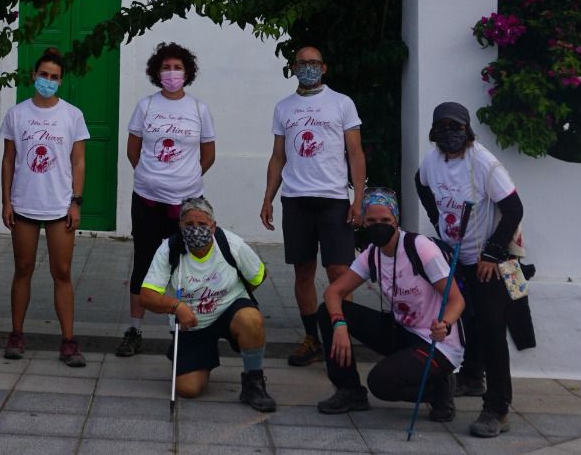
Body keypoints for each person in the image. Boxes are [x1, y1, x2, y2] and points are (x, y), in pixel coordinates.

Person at [415, 101, 525, 439]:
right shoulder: (431, 162)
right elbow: (421, 185)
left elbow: (513, 208)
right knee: (468, 320)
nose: (450, 133)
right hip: (457, 255)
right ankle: (472, 377)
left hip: (493, 259)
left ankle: (498, 407)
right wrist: (438, 222)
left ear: (467, 130)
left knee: (493, 328)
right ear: (434, 131)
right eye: (443, 127)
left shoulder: (483, 163)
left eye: (457, 127)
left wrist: (491, 254)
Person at [259, 44, 365, 372]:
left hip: (333, 199)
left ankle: (338, 338)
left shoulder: (342, 103)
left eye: (314, 62)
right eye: (302, 62)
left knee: (339, 273)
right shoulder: (284, 107)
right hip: (295, 200)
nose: (308, 67)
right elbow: (278, 156)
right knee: (303, 271)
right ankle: (311, 339)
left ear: (324, 68)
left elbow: (356, 154)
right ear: (293, 67)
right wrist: (267, 197)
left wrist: (358, 199)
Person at [319, 187, 464, 421]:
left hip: (437, 342)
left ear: (396, 219)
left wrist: (445, 324)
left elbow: (457, 299)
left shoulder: (420, 248)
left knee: (381, 383)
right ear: (363, 222)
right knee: (328, 313)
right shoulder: (372, 253)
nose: (379, 225)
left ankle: (439, 390)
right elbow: (334, 292)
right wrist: (339, 325)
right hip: (402, 331)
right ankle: (349, 390)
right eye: (372, 220)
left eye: (385, 219)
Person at [118, 42, 216, 358]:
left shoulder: (199, 109)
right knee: (144, 262)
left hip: (186, 202)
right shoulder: (145, 106)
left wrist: (184, 177)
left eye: (177, 68)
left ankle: (178, 331)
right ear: (156, 72)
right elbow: (133, 150)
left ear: (187, 72)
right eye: (165, 68)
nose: (171, 73)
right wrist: (151, 175)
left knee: (183, 264)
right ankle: (134, 329)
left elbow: (208, 154)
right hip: (147, 198)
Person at [138, 196, 276, 412]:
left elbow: (258, 276)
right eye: (189, 225)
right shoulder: (170, 249)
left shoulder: (231, 244)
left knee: (251, 318)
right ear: (180, 226)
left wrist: (238, 298)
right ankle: (200, 357)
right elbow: (146, 296)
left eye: (202, 224)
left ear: (213, 226)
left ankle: (254, 382)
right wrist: (176, 307)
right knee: (188, 389)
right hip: (192, 323)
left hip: (229, 310)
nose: (196, 230)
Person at [0, 47, 90, 366]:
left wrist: (75, 202)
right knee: (23, 269)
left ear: (61, 80)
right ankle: (16, 334)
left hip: (59, 205)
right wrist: (6, 201)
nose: (48, 81)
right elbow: (8, 160)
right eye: (43, 75)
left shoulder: (72, 115)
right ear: (33, 76)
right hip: (24, 203)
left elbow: (78, 161)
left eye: (54, 77)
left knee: (62, 272)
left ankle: (68, 340)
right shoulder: (17, 113)